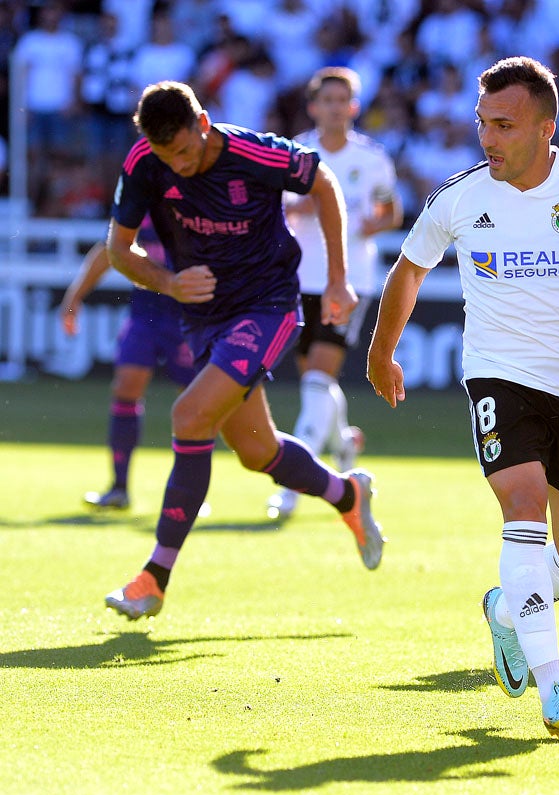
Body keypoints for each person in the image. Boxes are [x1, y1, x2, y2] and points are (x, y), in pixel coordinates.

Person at [367, 57, 559, 735]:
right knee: (522, 506)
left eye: (502, 125)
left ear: (544, 125)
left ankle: (507, 607)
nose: (488, 138)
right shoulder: (461, 194)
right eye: (482, 124)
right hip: (499, 373)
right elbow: (408, 270)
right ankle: (555, 683)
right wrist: (381, 351)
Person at [103, 80, 385, 621]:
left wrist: (337, 280)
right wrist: (169, 283)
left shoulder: (252, 151)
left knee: (189, 414)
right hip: (204, 317)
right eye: (169, 157)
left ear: (203, 124)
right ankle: (348, 495)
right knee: (257, 452)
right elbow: (118, 249)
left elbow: (323, 183)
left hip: (268, 306)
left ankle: (154, 577)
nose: (179, 166)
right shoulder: (144, 160)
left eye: (186, 151)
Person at [267, 67, 402, 520]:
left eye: (342, 100)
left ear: (354, 107)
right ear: (313, 107)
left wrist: (372, 223)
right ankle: (343, 443)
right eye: (326, 100)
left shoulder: (373, 157)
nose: (334, 108)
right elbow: (274, 206)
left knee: (317, 380)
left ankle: (292, 484)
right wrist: (295, 207)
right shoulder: (295, 152)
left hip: (347, 280)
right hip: (297, 277)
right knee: (315, 382)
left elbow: (392, 211)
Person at [59, 221, 196, 511]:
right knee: (125, 387)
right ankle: (119, 489)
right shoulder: (140, 200)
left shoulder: (194, 198)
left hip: (189, 318)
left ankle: (191, 494)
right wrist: (75, 297)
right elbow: (109, 250)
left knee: (197, 405)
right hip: (145, 314)